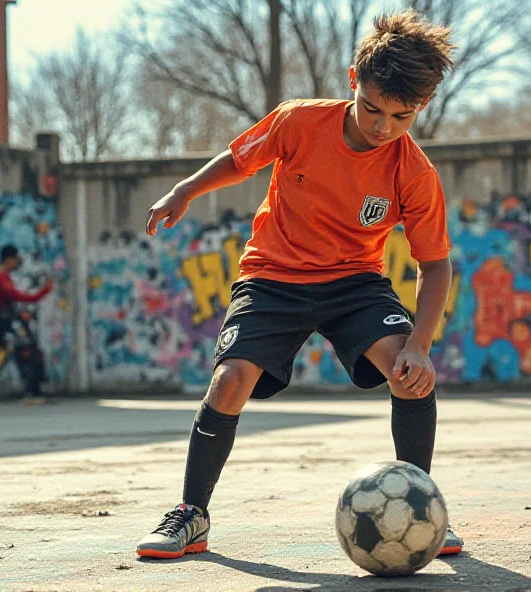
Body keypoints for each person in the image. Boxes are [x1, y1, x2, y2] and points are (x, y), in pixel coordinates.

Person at [137, 10, 464, 560]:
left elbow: (434, 266)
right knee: (228, 383)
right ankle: (191, 516)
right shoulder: (299, 122)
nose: (383, 127)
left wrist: (420, 346)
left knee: (411, 378)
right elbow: (240, 160)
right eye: (372, 109)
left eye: (401, 116)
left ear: (421, 108)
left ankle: (419, 508)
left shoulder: (414, 172)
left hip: (355, 284)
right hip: (272, 278)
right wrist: (185, 191)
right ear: (353, 80)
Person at [0, 244, 54, 404]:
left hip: (6, 324)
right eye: (16, 259)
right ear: (9, 259)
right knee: (29, 352)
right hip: (4, 325)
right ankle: (32, 392)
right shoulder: (1, 277)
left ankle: (34, 391)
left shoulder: (2, 276)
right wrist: (43, 292)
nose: (18, 263)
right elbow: (17, 296)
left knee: (29, 351)